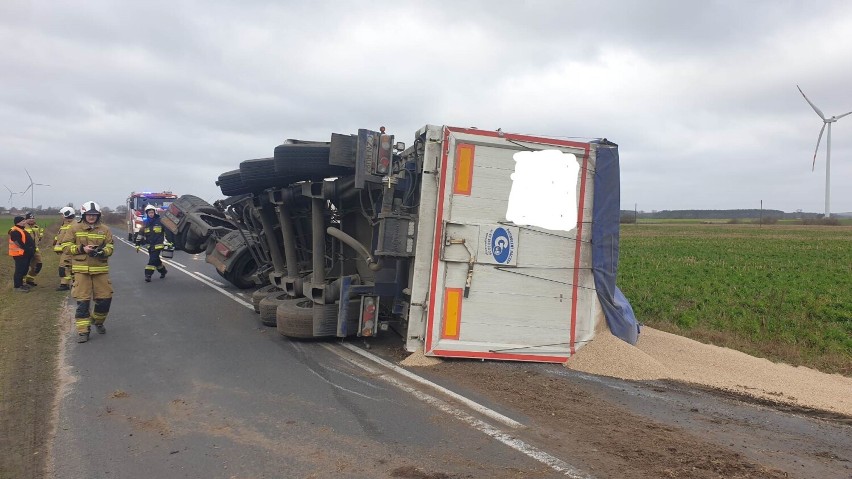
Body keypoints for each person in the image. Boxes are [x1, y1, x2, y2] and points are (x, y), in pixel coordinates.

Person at [63, 201, 114, 343]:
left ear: (98, 216)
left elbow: (110, 246)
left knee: (105, 300)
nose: (92, 217)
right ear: (84, 214)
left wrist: (103, 251)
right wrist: (82, 249)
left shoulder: (105, 229)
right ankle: (83, 332)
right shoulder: (74, 228)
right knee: (83, 302)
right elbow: (66, 246)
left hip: (100, 270)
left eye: (94, 215)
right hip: (81, 271)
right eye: (89, 215)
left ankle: (97, 321)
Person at [135, 204, 168, 282]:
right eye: (149, 213)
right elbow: (140, 234)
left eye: (152, 213)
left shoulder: (160, 221)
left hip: (158, 245)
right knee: (156, 261)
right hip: (150, 246)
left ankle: (148, 275)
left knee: (152, 260)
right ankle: (163, 271)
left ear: (155, 212)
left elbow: (167, 232)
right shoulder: (145, 223)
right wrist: (137, 244)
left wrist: (169, 241)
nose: (151, 214)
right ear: (147, 213)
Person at [8, 215, 36, 293]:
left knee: (24, 269)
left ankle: (21, 284)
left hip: (25, 254)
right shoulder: (14, 231)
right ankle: (17, 286)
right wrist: (27, 249)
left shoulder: (22, 229)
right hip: (19, 254)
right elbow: (18, 243)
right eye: (23, 221)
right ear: (18, 222)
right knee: (19, 270)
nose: (25, 222)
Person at [53, 207, 76, 291]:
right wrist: (56, 241)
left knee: (64, 267)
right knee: (67, 267)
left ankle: (65, 284)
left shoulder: (74, 224)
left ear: (67, 214)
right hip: (64, 250)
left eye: (62, 214)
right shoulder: (65, 224)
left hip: (69, 250)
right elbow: (61, 235)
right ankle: (71, 283)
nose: (61, 216)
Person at [22, 212, 43, 286]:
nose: (31, 220)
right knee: (25, 266)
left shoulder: (37, 227)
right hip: (26, 250)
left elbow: (39, 236)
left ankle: (30, 280)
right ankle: (22, 282)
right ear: (26, 219)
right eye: (29, 218)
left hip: (35, 250)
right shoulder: (23, 227)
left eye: (32, 218)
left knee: (38, 265)